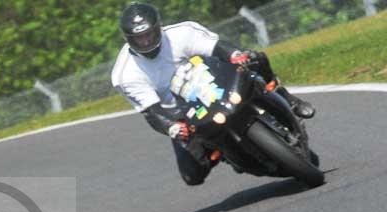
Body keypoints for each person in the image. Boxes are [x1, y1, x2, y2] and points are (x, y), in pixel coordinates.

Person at [111, 2, 315, 186]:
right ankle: (223, 152)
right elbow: (152, 112)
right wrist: (173, 127)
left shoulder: (182, 32)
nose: (146, 42)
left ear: (159, 27)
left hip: (218, 82)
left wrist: (236, 55)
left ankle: (288, 98)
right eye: (139, 38)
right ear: (128, 39)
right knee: (192, 175)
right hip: (184, 114)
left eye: (149, 34)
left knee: (255, 58)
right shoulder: (125, 74)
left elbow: (217, 48)